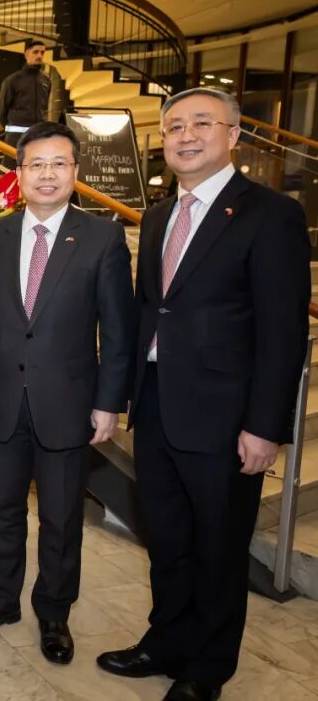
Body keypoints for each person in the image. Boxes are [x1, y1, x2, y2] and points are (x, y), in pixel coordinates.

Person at [97, 88, 310, 701]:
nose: (186, 135)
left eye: (201, 123)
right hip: (157, 405)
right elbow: (150, 308)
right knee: (166, 540)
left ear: (234, 135)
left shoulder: (271, 215)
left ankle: (207, 669)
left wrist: (264, 426)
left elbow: (282, 332)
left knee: (218, 549)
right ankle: (165, 642)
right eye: (174, 126)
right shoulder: (159, 216)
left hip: (226, 417)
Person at [0, 122, 135, 664]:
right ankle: (1, 600)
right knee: (1, 511)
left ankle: (54, 613)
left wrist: (109, 402)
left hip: (70, 403)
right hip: (2, 399)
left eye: (59, 163)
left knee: (61, 518)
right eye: (36, 164)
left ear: (76, 171)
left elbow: (118, 330)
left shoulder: (102, 238)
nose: (47, 174)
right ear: (19, 173)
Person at [0, 40, 53, 169]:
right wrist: (11, 127)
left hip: (38, 137)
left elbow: (44, 109)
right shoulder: (13, 80)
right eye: (35, 52)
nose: (39, 55)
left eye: (42, 53)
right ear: (26, 54)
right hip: (15, 138)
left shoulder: (46, 81)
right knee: (12, 173)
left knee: (35, 171)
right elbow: (1, 110)